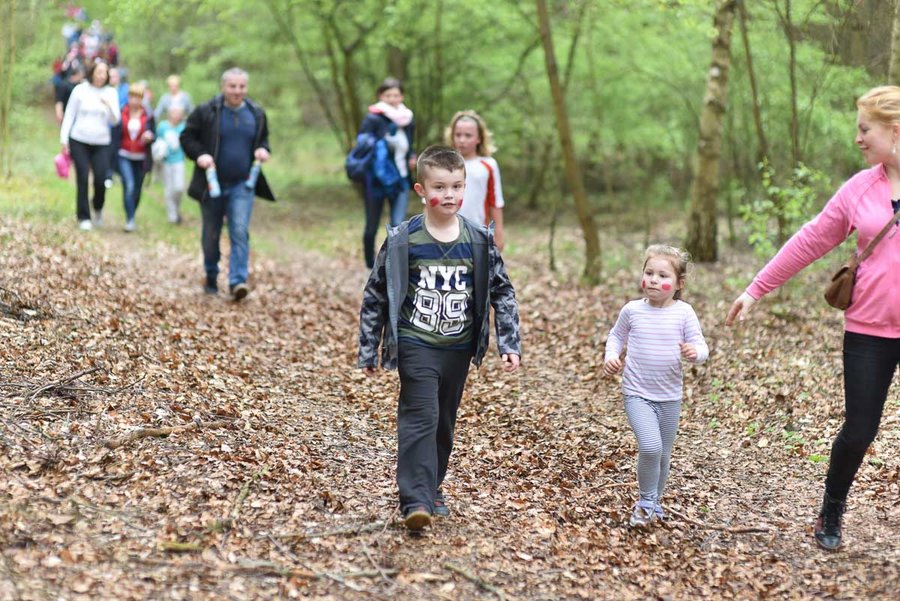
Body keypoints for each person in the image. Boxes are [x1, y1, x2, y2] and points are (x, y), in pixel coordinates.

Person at [726, 85, 900, 551]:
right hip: (869, 331)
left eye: (866, 129)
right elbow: (810, 240)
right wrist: (755, 289)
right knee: (861, 429)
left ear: (894, 131)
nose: (858, 139)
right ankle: (833, 506)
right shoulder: (859, 190)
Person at [358, 145, 521, 531]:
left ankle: (432, 488)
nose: (449, 195)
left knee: (444, 421)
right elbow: (375, 293)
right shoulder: (403, 240)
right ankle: (415, 500)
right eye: (440, 187)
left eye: (456, 187)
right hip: (416, 343)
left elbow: (503, 292)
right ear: (420, 189)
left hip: (458, 347)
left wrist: (509, 342)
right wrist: (369, 348)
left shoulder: (478, 240)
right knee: (421, 416)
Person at [604, 245, 708, 528]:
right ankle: (646, 501)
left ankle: (655, 503)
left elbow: (702, 347)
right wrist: (611, 356)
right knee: (650, 447)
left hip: (670, 396)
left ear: (678, 284)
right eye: (648, 272)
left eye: (661, 274)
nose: (652, 279)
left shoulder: (684, 313)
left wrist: (694, 353)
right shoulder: (632, 310)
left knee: (663, 453)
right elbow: (615, 337)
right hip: (637, 393)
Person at [180, 67, 275, 301]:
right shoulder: (207, 111)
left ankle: (237, 281)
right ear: (223, 87)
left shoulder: (256, 113)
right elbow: (186, 137)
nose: (237, 91)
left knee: (239, 230)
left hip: (243, 185)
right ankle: (211, 275)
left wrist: (263, 150)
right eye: (232, 86)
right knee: (211, 233)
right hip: (211, 185)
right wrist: (200, 155)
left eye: (241, 86)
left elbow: (263, 140)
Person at [357, 77, 417, 269]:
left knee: (398, 225)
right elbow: (362, 144)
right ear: (381, 96)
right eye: (388, 95)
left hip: (400, 178)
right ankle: (369, 264)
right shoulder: (373, 118)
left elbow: (410, 143)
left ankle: (393, 265)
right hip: (377, 180)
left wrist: (412, 156)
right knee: (372, 225)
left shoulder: (408, 118)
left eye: (396, 94)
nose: (393, 98)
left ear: (402, 96)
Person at [60, 59, 120, 230]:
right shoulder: (80, 90)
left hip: (101, 142)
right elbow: (69, 115)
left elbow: (115, 121)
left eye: (104, 73)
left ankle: (98, 207)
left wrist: (109, 106)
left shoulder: (111, 93)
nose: (101, 76)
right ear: (92, 72)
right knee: (83, 177)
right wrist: (64, 139)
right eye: (98, 72)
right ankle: (84, 217)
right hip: (79, 139)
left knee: (101, 179)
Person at [446, 110, 507, 251]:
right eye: (458, 135)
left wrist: (498, 235)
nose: (462, 140)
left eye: (468, 135)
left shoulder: (488, 165)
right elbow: (429, 201)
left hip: (478, 233)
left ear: (479, 138)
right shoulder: (442, 163)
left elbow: (495, 202)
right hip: (445, 233)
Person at [117, 82, 155, 232]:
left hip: (141, 158)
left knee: (137, 190)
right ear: (129, 97)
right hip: (124, 154)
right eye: (132, 97)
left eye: (138, 98)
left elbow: (155, 135)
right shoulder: (122, 112)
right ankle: (130, 219)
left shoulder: (149, 115)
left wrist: (150, 137)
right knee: (129, 186)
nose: (135, 101)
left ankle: (131, 213)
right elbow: (115, 134)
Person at [155, 105, 187, 224]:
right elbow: (157, 141)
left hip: (179, 160)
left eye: (178, 113)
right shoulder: (163, 126)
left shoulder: (183, 127)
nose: (176, 115)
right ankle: (172, 215)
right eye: (174, 112)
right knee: (169, 188)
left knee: (178, 188)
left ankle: (176, 207)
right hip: (166, 161)